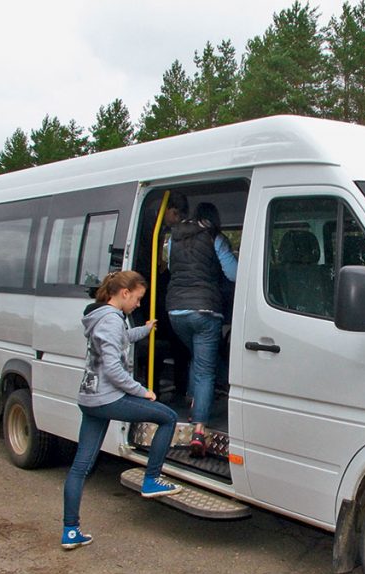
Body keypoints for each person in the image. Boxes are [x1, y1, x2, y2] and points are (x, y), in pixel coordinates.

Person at [62, 270, 181, 550]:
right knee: (168, 417)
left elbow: (121, 338)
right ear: (124, 293)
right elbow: (114, 369)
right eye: (138, 299)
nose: (138, 305)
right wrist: (143, 391)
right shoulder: (111, 321)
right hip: (107, 398)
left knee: (81, 466)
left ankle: (70, 531)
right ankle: (152, 479)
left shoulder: (100, 317)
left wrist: (145, 329)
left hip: (89, 398)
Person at [165, 195, 237, 455]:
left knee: (199, 356)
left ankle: (191, 397)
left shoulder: (173, 238)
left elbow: (170, 267)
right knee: (206, 369)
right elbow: (233, 273)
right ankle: (198, 430)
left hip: (175, 310)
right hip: (205, 310)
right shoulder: (215, 238)